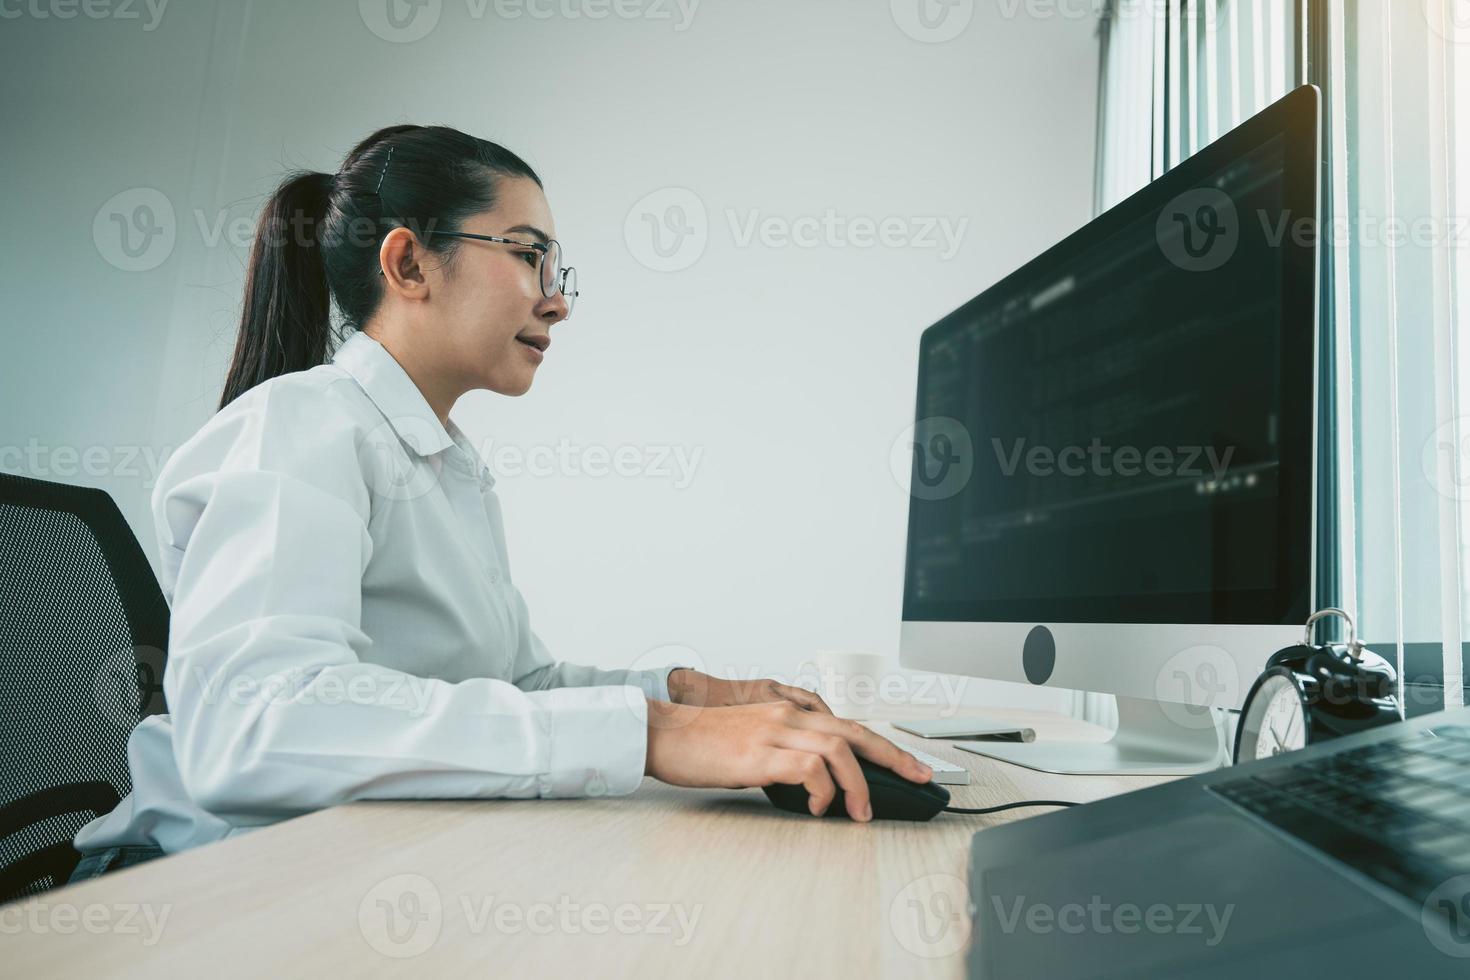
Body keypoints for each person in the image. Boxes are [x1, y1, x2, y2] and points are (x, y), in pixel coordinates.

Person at [69, 124, 931, 882]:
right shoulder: (298, 428)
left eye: (556, 266)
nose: (556, 298)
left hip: (346, 869)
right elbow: (254, 726)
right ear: (409, 263)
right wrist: (656, 735)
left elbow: (515, 685)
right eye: (526, 254)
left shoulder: (450, 468)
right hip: (200, 887)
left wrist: (693, 694)